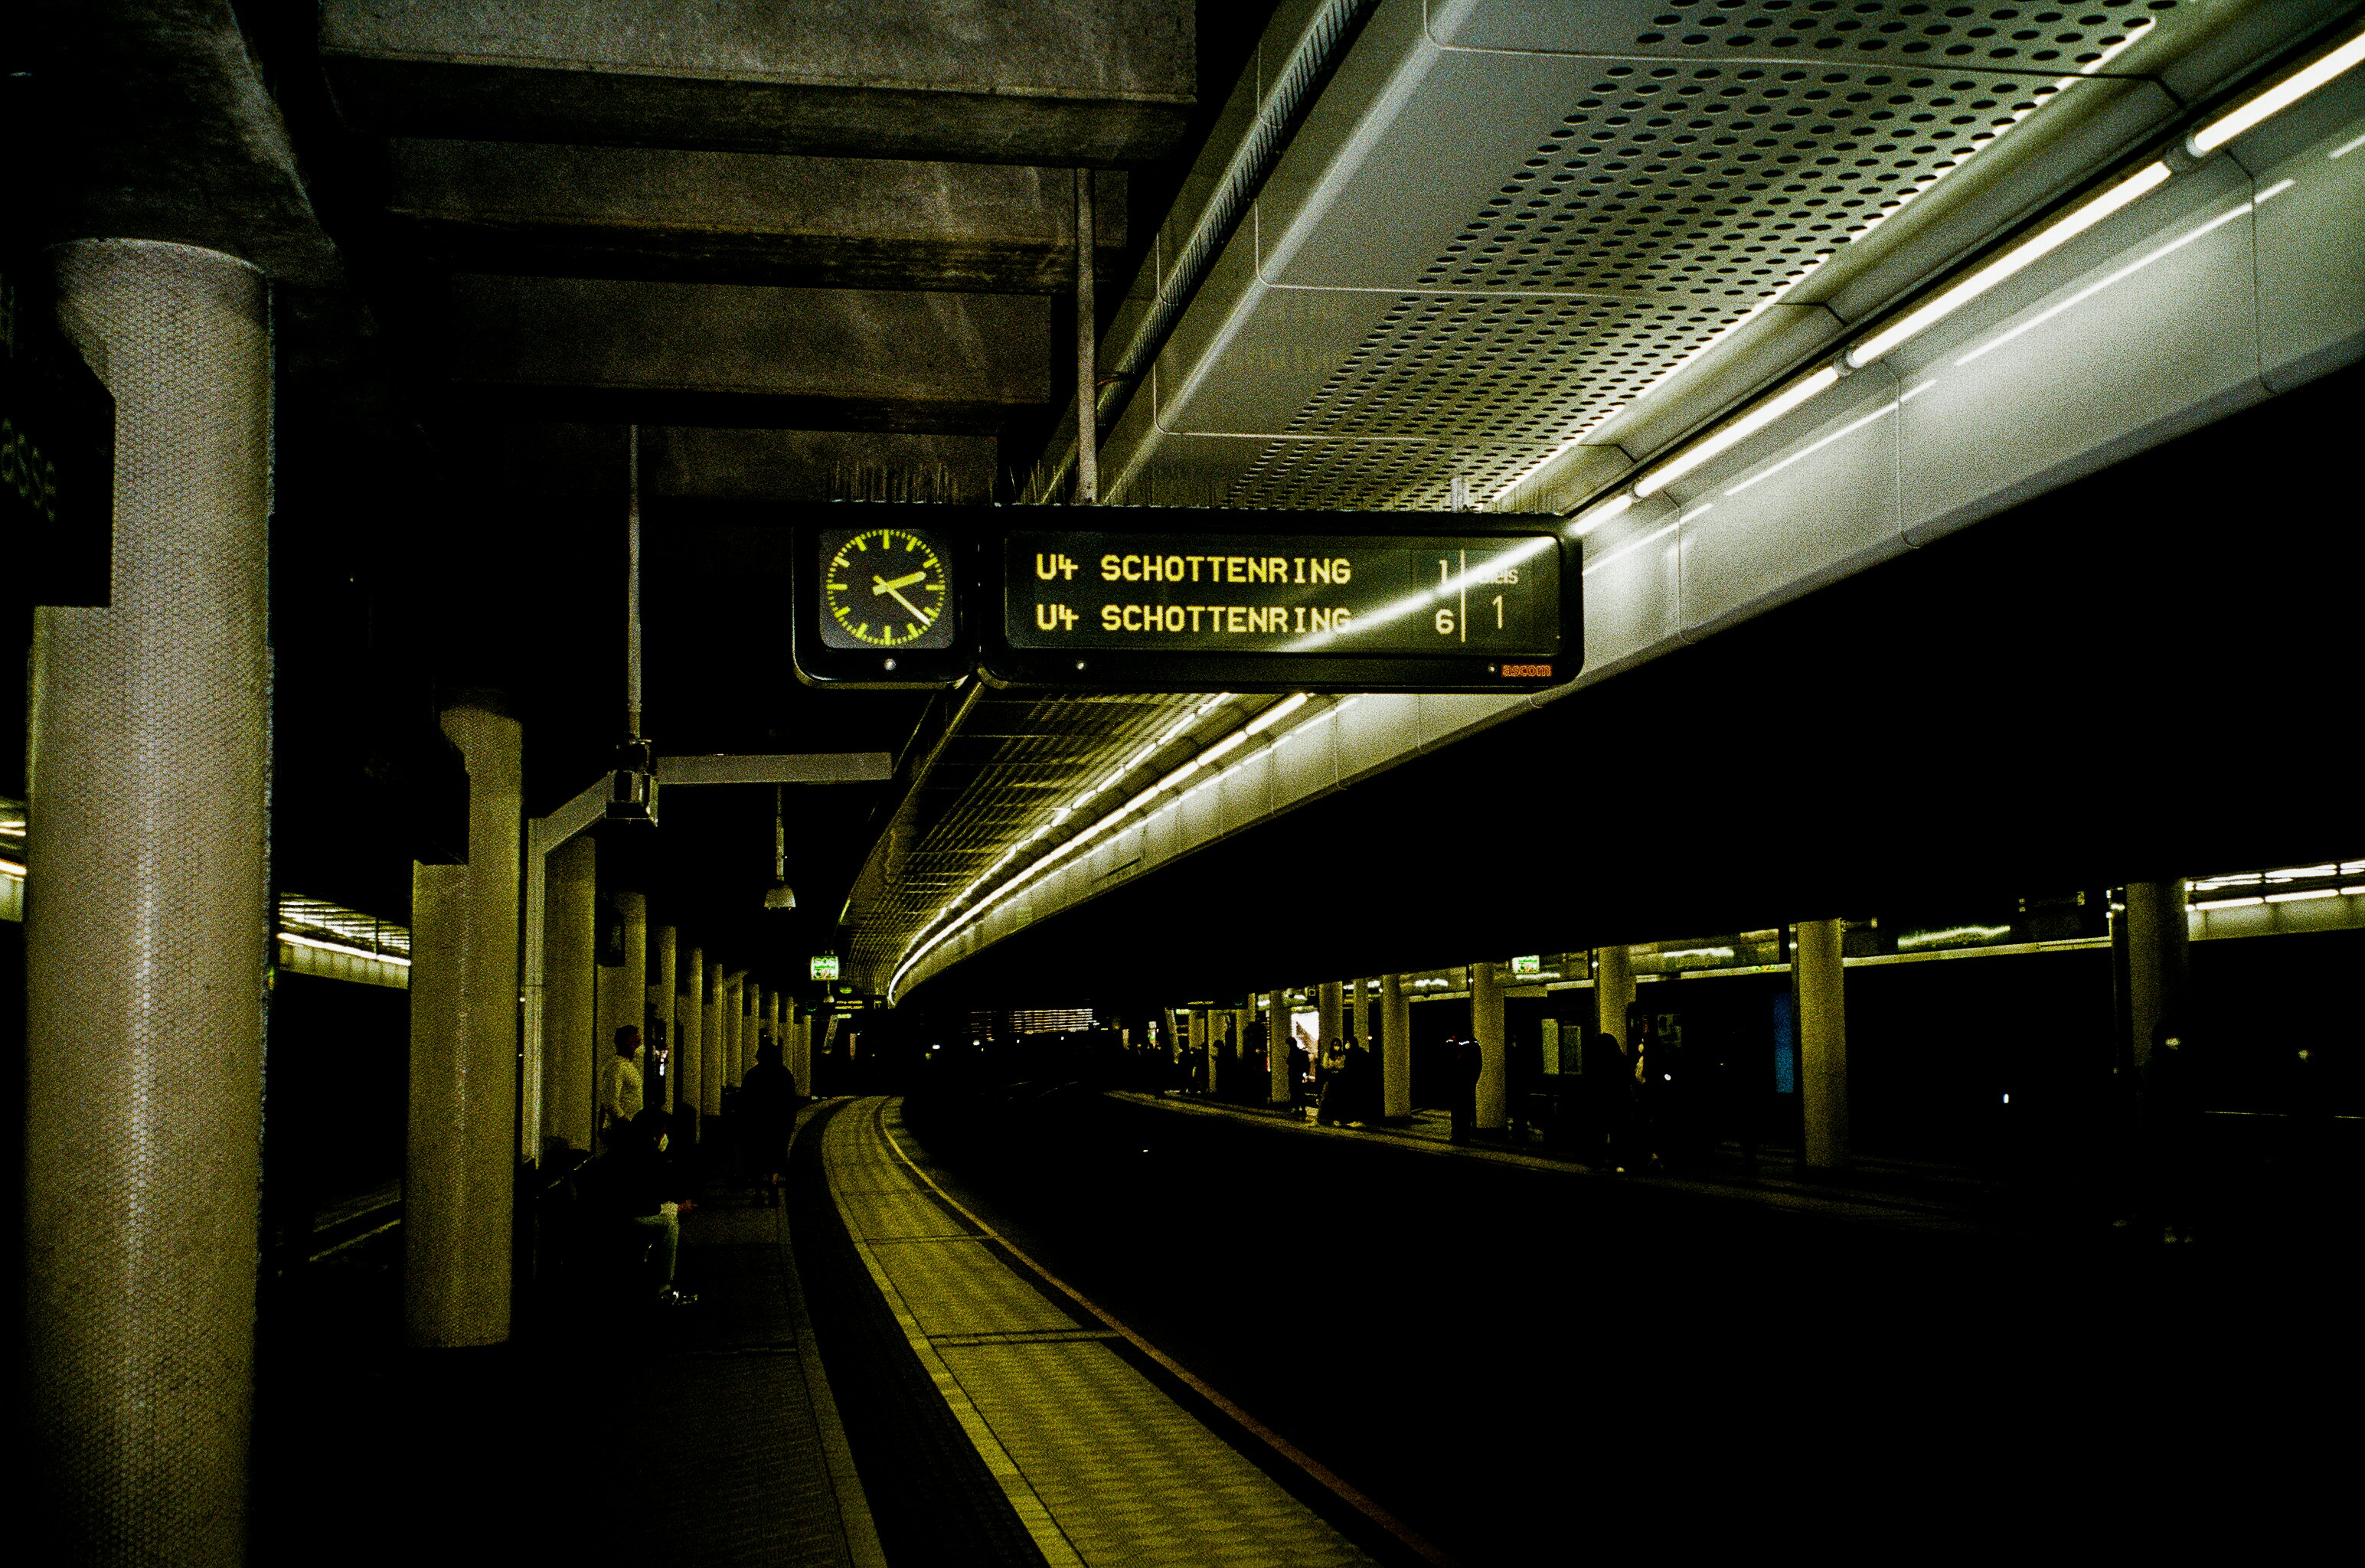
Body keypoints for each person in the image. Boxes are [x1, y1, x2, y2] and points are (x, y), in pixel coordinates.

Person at [587, 1108, 697, 1306]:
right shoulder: (642, 1154)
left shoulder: (626, 1148)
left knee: (668, 1219)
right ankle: (663, 1288)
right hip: (621, 1215)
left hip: (612, 1211)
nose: (664, 1137)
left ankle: (662, 1284)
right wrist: (677, 1208)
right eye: (663, 1131)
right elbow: (643, 1202)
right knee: (669, 1225)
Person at [739, 1041, 799, 1208]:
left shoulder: (752, 1075)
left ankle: (759, 1193)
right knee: (776, 1158)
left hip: (757, 1125)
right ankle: (773, 1185)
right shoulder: (785, 1075)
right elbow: (791, 1101)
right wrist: (790, 1123)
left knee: (757, 1159)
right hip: (779, 1125)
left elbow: (744, 1102)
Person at [600, 1025, 643, 1138]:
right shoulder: (617, 1067)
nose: (640, 1046)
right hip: (620, 1130)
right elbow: (610, 1102)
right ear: (627, 1043)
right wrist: (628, 1125)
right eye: (637, 1042)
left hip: (629, 1128)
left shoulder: (628, 1065)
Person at [1448, 1035, 1482, 1145]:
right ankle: (1463, 1135)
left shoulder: (1453, 1043)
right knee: (1465, 1109)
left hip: (1459, 1081)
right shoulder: (1473, 1043)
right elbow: (1478, 1064)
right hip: (1466, 1082)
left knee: (1458, 1109)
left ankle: (1458, 1135)